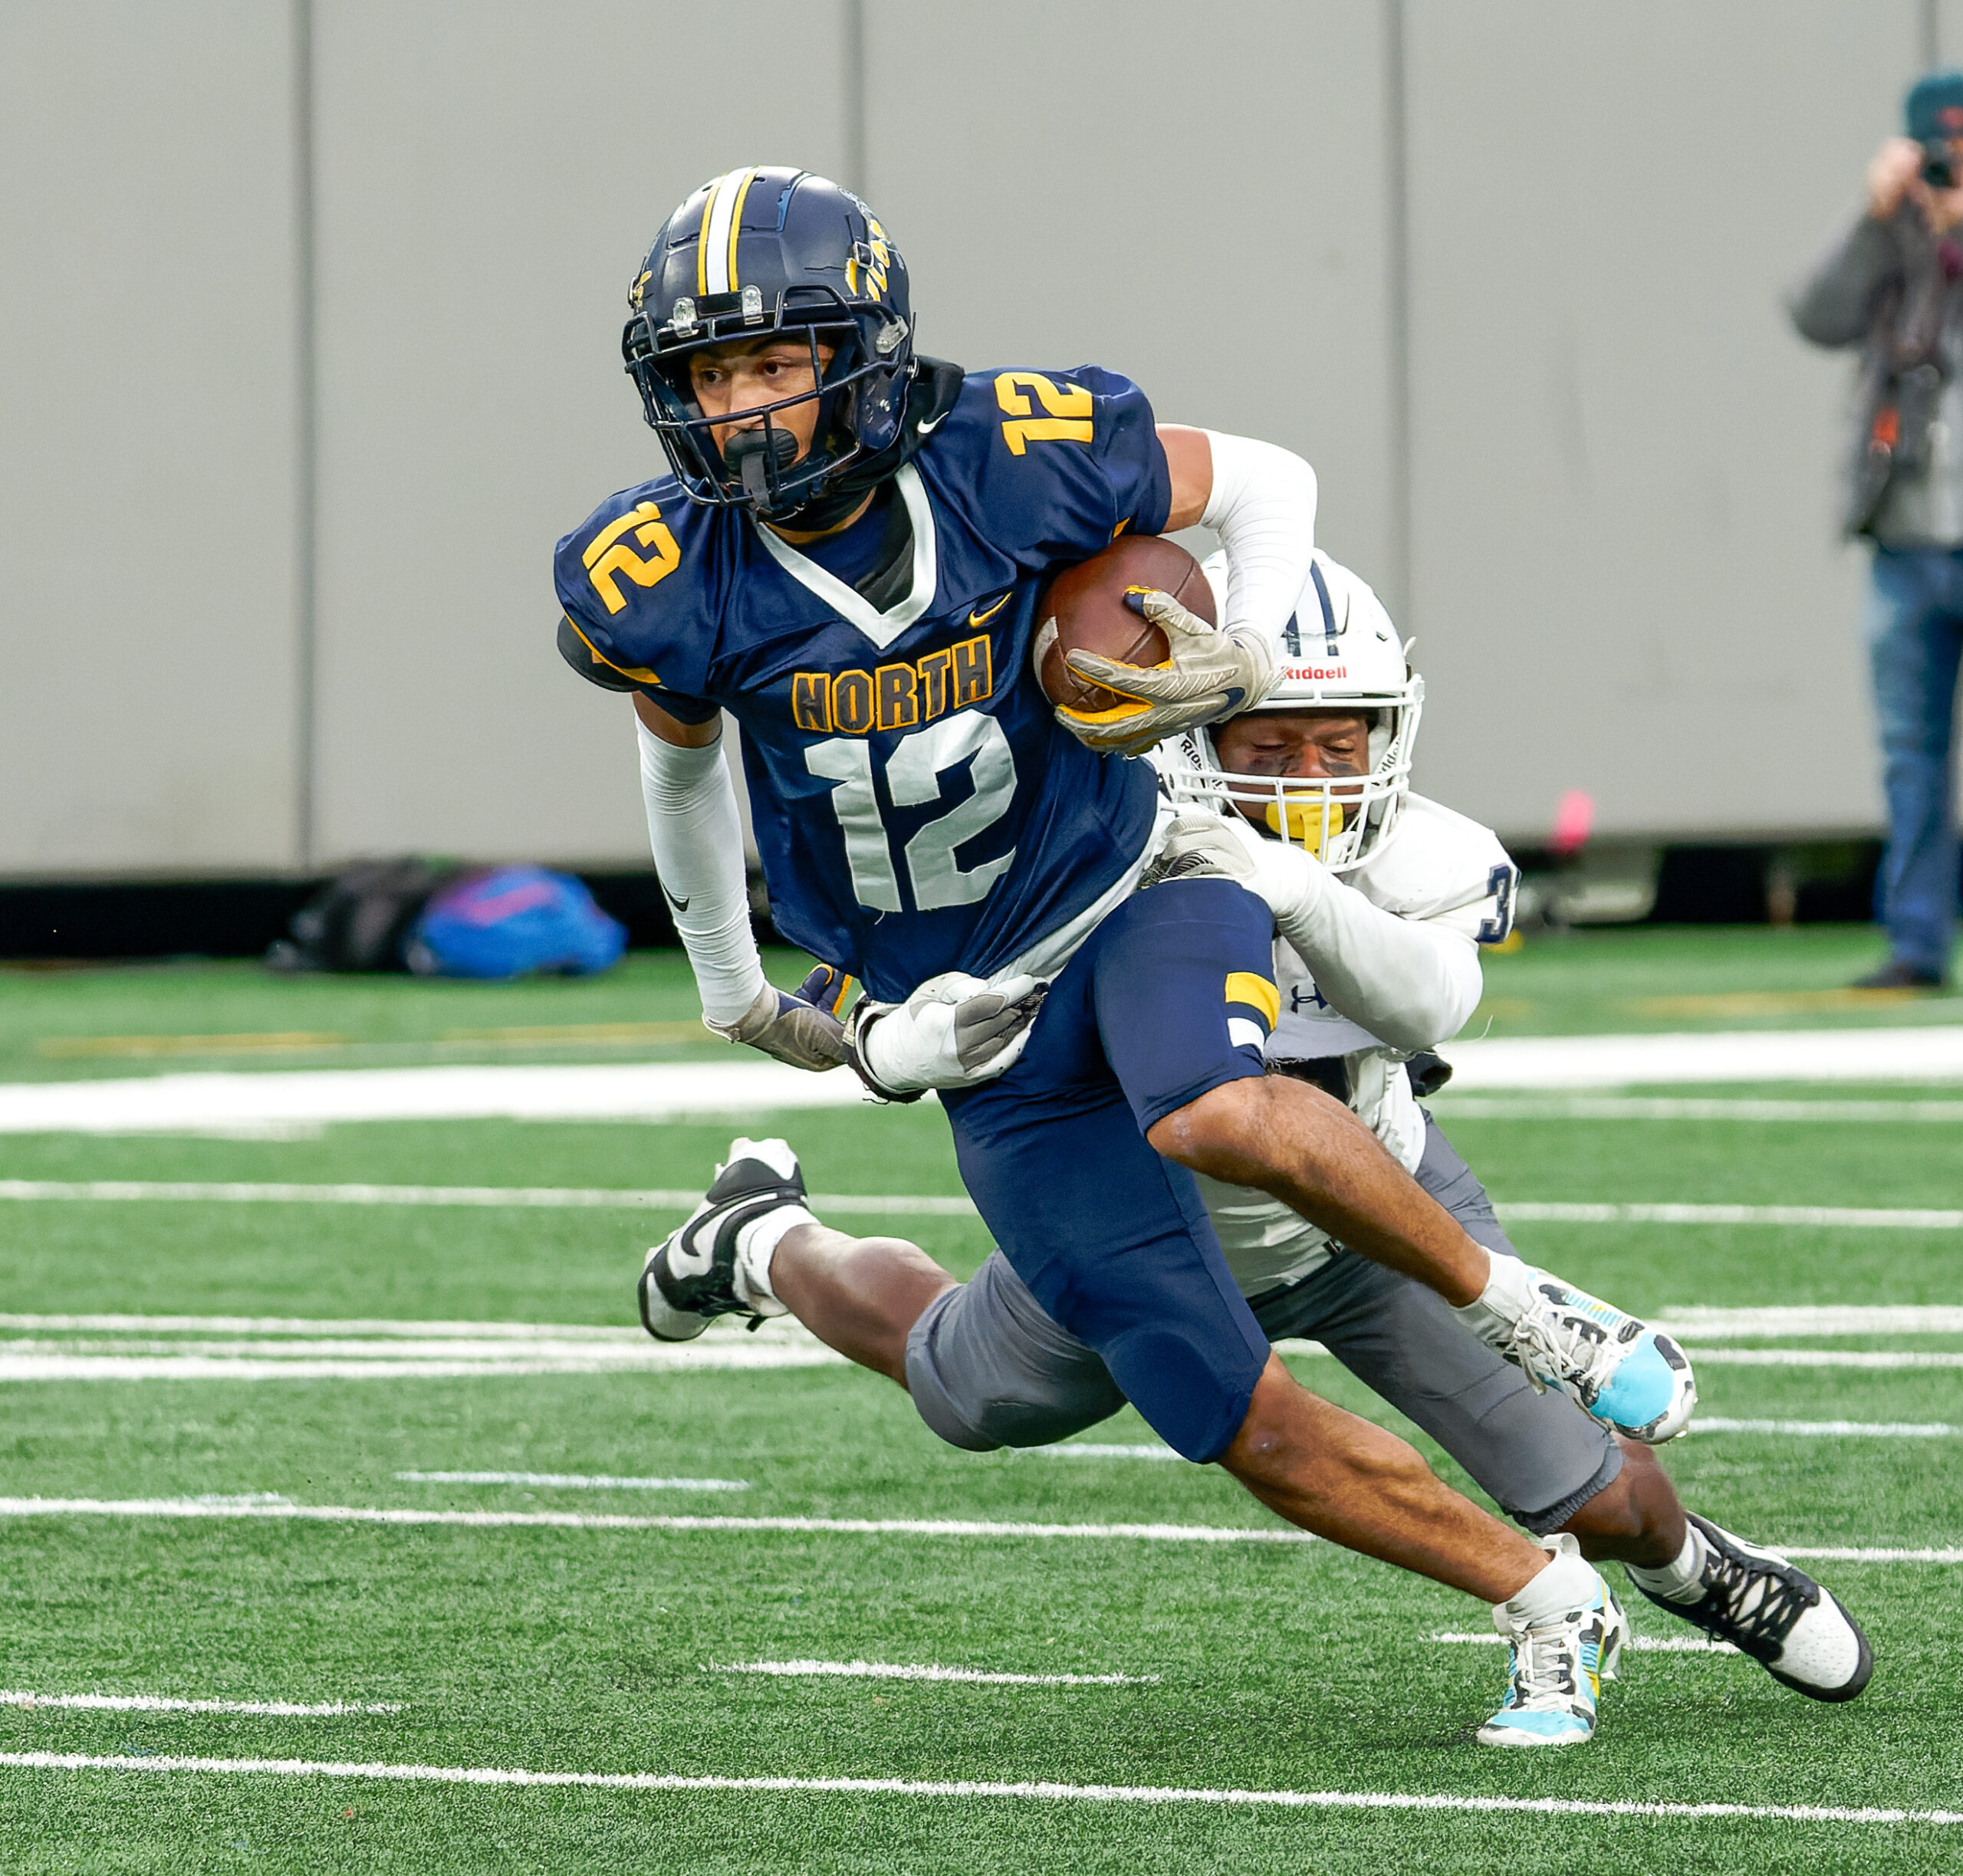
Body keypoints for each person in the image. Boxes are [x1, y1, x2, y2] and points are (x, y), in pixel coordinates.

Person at [558, 167, 1690, 1745]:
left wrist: (1244, 650)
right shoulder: (662, 573)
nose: (740, 409)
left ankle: (1524, 1305)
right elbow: (679, 769)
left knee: (1214, 1101)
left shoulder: (1009, 454)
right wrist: (752, 996)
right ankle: (1536, 1592)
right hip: (968, 995)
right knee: (1221, 1410)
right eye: (708, 375)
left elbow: (1264, 479)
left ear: (861, 350)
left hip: (1132, 867)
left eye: (773, 363)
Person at [640, 552, 1873, 1727]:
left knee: (1605, 1493)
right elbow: (879, 988)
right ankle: (761, 1237)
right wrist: (890, 1044)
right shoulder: (1088, 854)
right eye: (1269, 743)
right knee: (964, 1390)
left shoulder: (1429, 854)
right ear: (1186, 732)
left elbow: (1432, 1001)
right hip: (1140, 1223)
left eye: (1342, 742)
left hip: (1374, 1215)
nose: (1309, 774)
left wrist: (1286, 886)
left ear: (1393, 735)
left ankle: (1701, 1568)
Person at [1789, 70, 1963, 989]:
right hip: (1904, 538)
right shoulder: (1894, 240)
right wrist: (1873, 217)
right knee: (1910, 757)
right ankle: (1917, 941)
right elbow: (1813, 314)